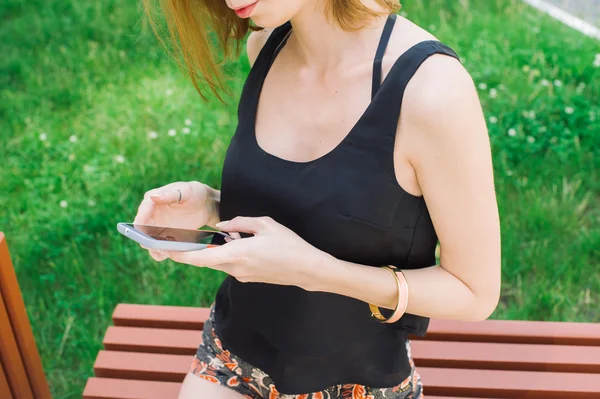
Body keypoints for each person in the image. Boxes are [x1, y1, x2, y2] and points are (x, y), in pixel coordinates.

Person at [134, 0, 502, 398]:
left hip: (357, 382)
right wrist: (211, 203)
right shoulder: (266, 46)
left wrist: (317, 271)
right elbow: (322, 205)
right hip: (231, 358)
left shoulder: (431, 91)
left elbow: (474, 292)